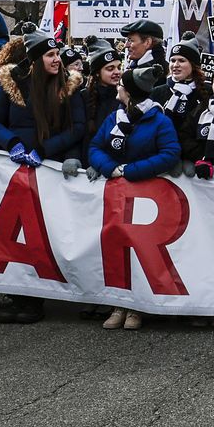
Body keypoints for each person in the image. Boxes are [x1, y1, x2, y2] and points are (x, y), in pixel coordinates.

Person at [0, 32, 90, 324]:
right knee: (18, 234)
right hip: (16, 170)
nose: (57, 60)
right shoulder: (11, 85)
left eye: (58, 54)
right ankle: (20, 297)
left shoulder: (69, 86)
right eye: (50, 55)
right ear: (34, 60)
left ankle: (39, 299)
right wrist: (12, 143)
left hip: (49, 170)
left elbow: (78, 126)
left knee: (45, 233)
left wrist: (45, 150)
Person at [86, 63, 182, 331]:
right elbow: (95, 146)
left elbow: (169, 153)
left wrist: (131, 171)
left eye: (121, 86)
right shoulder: (114, 118)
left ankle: (139, 307)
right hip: (116, 197)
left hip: (146, 197)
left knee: (140, 251)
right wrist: (110, 168)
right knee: (117, 249)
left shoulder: (159, 120)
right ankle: (119, 304)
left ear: (128, 92)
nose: (117, 88)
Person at [154, 37, 208, 171]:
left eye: (181, 61)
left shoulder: (208, 92)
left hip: (196, 157)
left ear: (193, 65)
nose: (175, 65)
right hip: (162, 156)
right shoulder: (157, 92)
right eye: (172, 60)